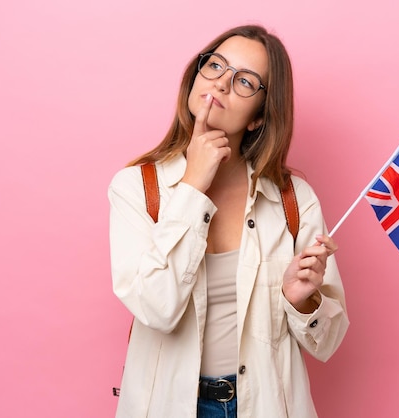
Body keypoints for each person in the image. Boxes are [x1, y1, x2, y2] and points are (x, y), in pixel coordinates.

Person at [108, 24, 349, 418]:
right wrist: (192, 188)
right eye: (215, 65)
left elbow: (329, 341)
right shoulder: (137, 188)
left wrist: (301, 299)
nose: (221, 83)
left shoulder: (292, 199)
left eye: (245, 81)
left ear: (258, 117)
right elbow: (156, 310)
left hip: (264, 404)